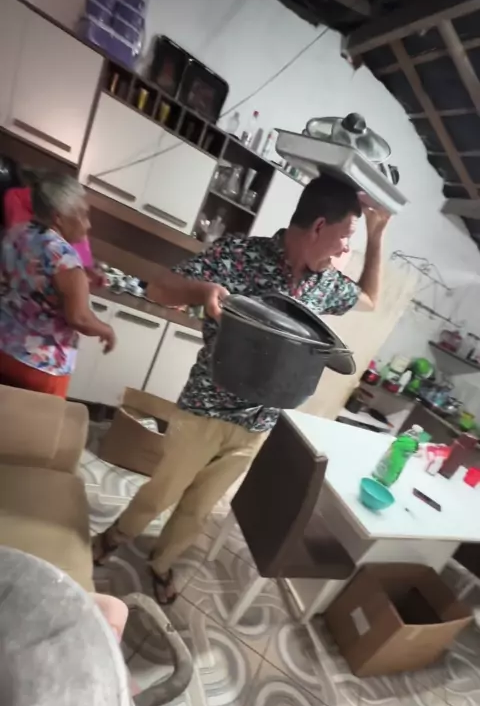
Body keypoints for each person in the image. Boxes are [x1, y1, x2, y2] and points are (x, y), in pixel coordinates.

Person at [94, 174, 391, 603]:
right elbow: (159, 287)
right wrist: (204, 290)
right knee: (163, 491)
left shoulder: (325, 284)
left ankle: (162, 562)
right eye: (347, 236)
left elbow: (370, 299)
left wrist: (377, 237)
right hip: (206, 408)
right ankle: (116, 537)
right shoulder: (238, 254)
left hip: (258, 423)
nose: (347, 249)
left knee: (201, 506)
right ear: (318, 226)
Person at [0, 173, 116, 397]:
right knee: (38, 421)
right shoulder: (64, 256)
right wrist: (106, 330)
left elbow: (29, 282)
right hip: (41, 366)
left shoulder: (16, 234)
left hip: (4, 347)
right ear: (58, 217)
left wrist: (81, 278)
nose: (88, 224)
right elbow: (79, 318)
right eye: (83, 214)